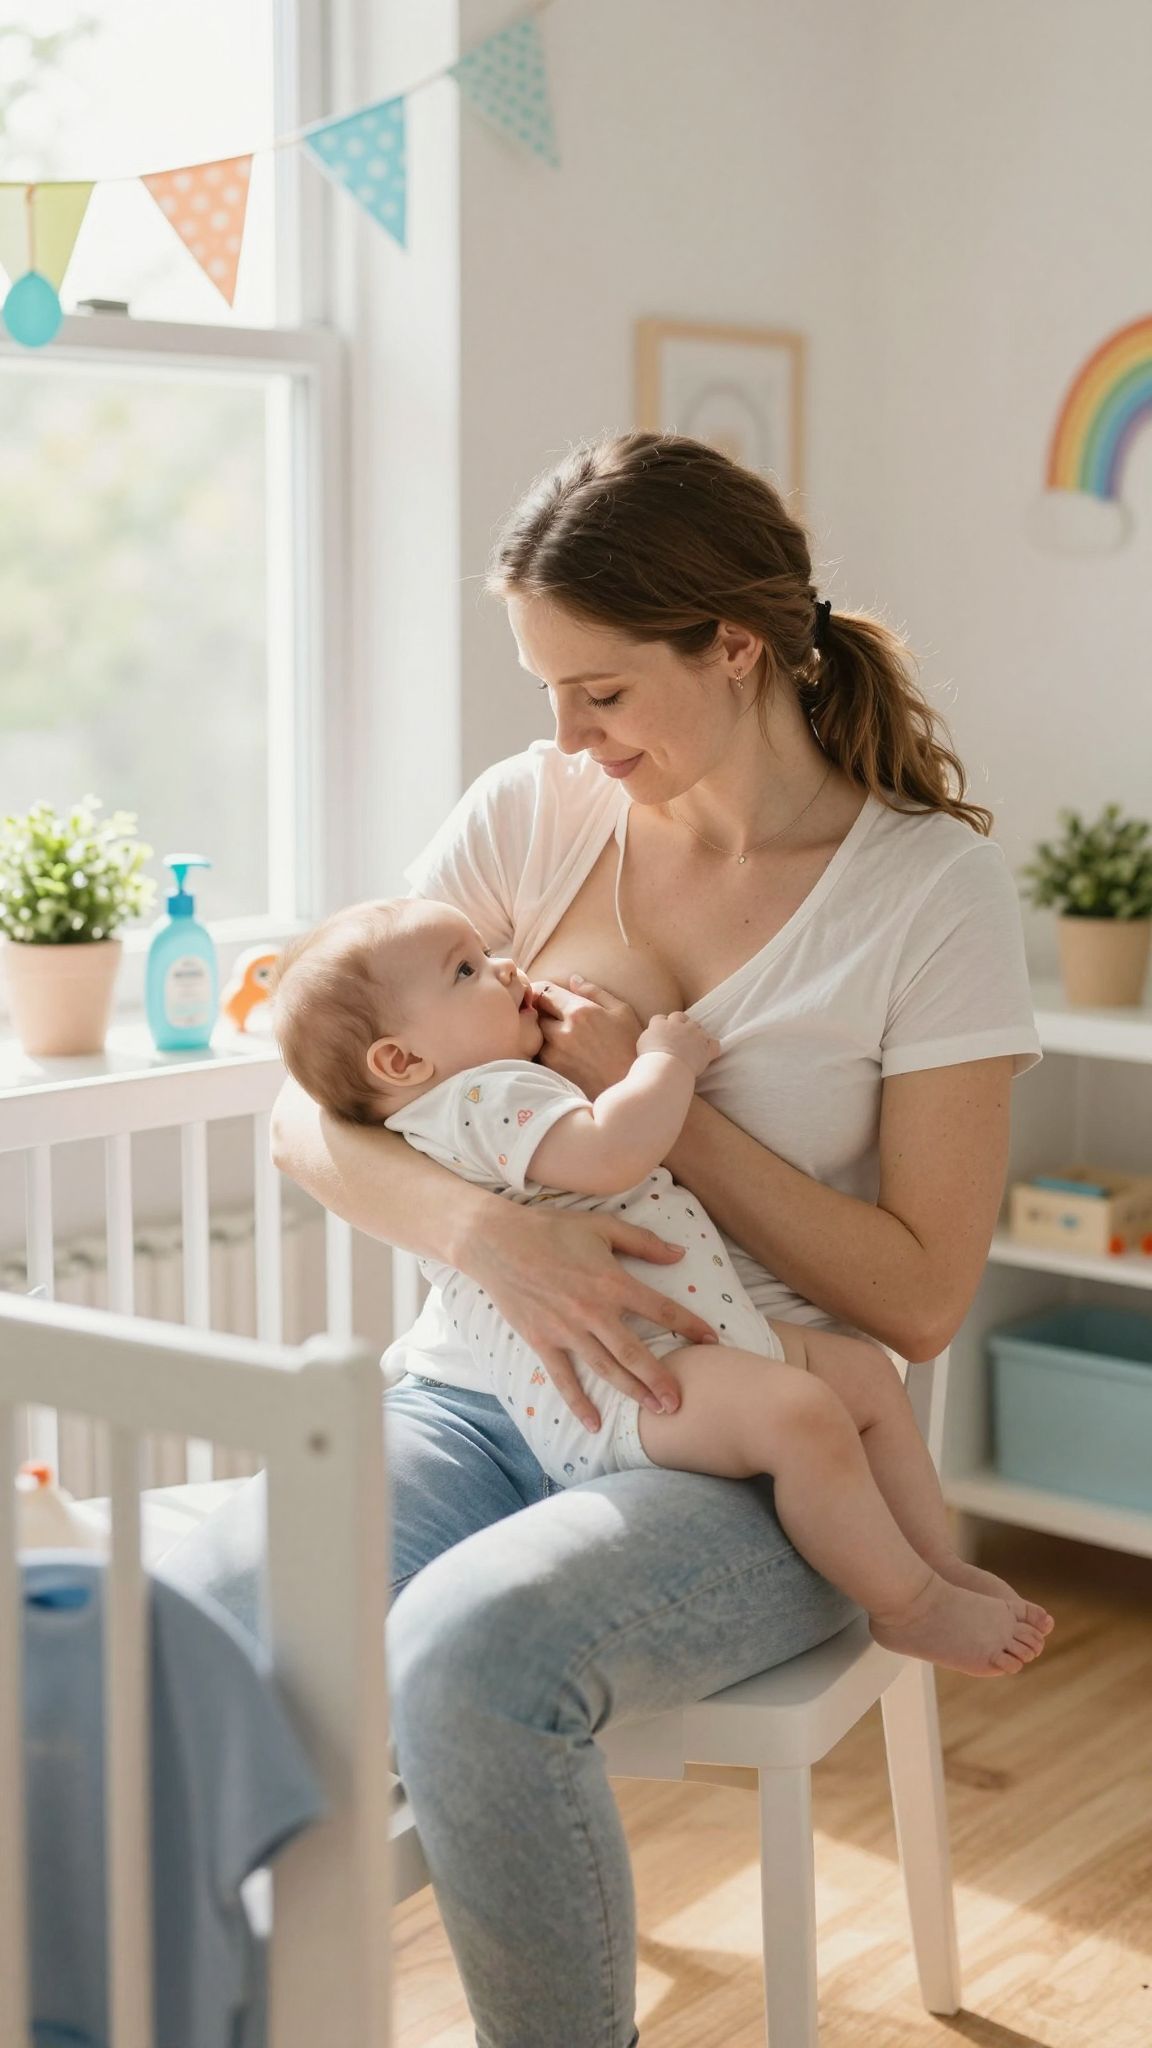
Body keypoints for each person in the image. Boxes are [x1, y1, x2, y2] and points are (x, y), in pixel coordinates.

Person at [169, 432, 1045, 2047]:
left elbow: (919, 1299)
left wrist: (663, 1101)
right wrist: (488, 1234)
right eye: (548, 693)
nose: (567, 736)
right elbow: (315, 1108)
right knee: (203, 1590)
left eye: (602, 692)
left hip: (741, 1438)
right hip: (476, 1387)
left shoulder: (925, 896)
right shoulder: (535, 812)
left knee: (468, 1655)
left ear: (732, 643)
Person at [271, 892, 1052, 1678]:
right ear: (400, 1062)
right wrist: (663, 1062)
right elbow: (611, 1152)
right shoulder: (480, 1100)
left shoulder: (469, 1094)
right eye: (468, 969)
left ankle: (932, 1564)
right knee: (804, 1416)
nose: (506, 966)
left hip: (689, 1338)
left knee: (865, 1378)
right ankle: (908, 1602)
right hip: (629, 1380)